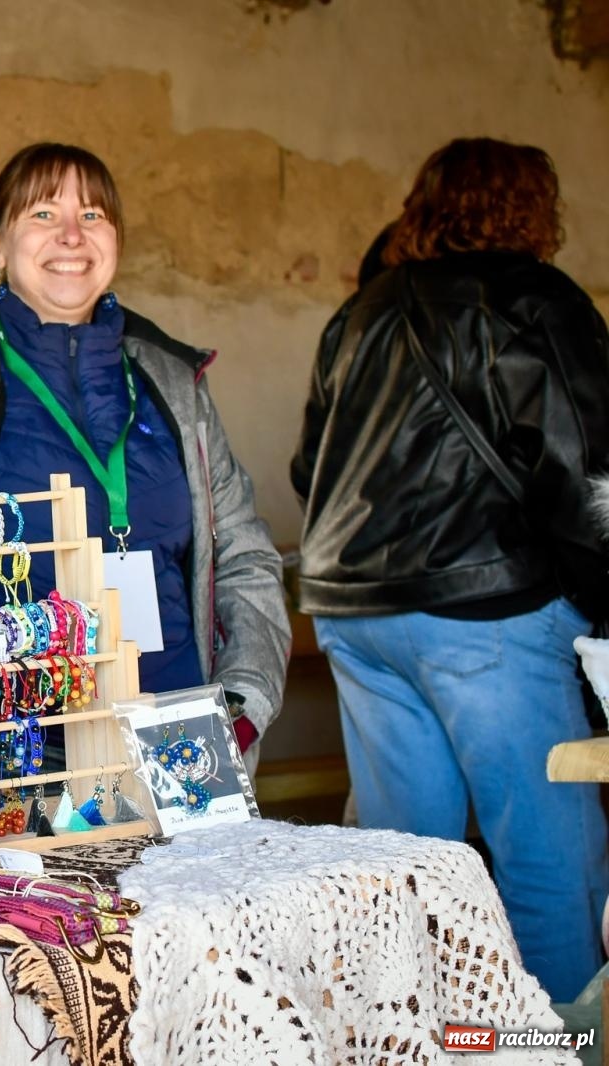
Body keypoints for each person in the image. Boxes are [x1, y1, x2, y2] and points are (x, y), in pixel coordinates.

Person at [0, 142, 290, 772]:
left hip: (179, 739)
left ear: (116, 239)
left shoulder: (174, 383)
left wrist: (244, 704)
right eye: (43, 214)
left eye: (93, 215)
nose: (72, 236)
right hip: (3, 755)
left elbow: (245, 557)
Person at [291, 137, 609, 999]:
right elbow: (583, 469)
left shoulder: (361, 313)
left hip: (355, 612)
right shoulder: (536, 299)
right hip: (488, 611)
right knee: (547, 856)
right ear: (533, 209)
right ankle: (562, 1045)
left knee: (404, 864)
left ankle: (414, 1036)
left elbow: (310, 470)